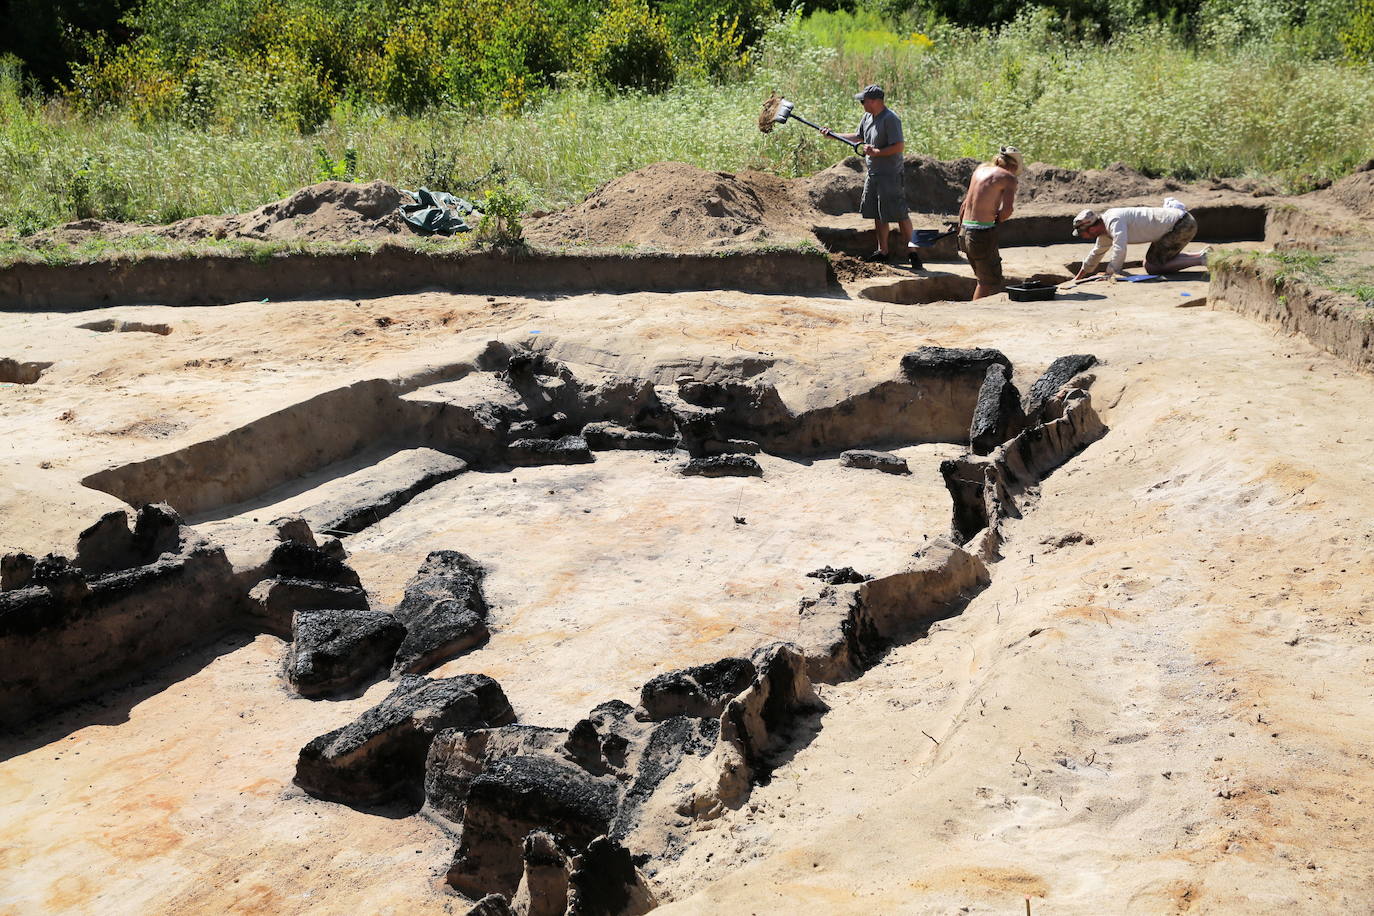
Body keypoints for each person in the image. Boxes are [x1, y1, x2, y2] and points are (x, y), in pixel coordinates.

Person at [821, 85, 914, 267]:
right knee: (877, 214)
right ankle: (883, 251)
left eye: (863, 101)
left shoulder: (891, 119)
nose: (861, 104)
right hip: (873, 173)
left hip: (890, 175)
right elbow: (858, 137)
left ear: (874, 101)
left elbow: (899, 146)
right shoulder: (867, 117)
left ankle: (914, 254)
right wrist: (833, 135)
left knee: (901, 215)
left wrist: (877, 152)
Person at [1070, 203, 1208, 281]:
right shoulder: (1105, 230)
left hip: (1181, 225)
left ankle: (1203, 259)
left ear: (1092, 228)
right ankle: (1202, 255)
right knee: (1150, 263)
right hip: (1176, 225)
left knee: (1153, 267)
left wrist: (1110, 273)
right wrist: (1078, 277)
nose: (1083, 236)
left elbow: (1120, 248)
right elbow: (1097, 252)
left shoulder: (1114, 220)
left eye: (1083, 233)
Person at [957, 146, 1022, 299]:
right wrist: (997, 219)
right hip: (981, 235)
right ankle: (978, 316)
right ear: (1014, 166)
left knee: (982, 279)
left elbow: (964, 205)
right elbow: (1007, 211)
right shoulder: (1008, 178)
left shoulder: (980, 170)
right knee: (987, 282)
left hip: (964, 232)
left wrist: (961, 227)